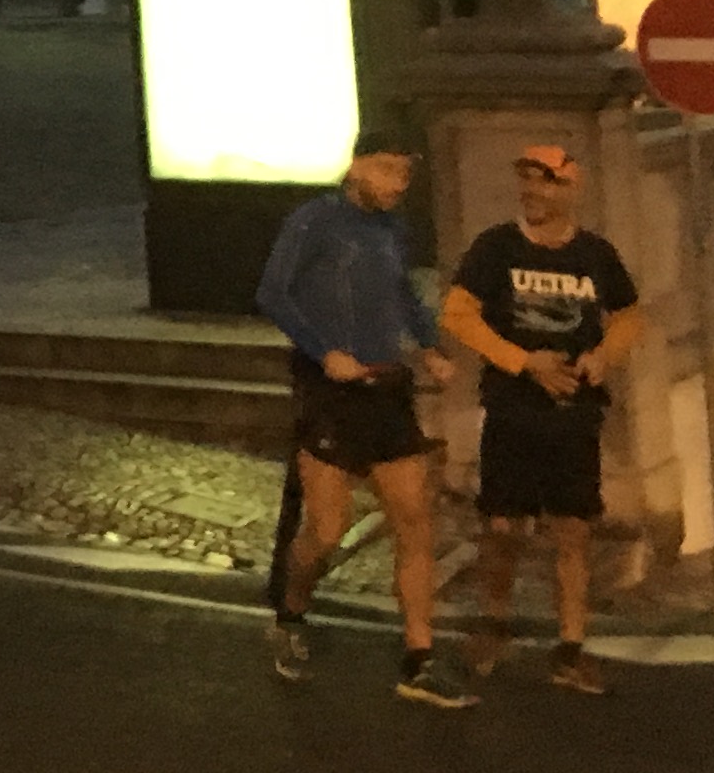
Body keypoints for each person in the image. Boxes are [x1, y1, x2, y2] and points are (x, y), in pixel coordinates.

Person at [256, 128, 469, 706]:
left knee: (414, 518)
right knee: (326, 530)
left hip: (385, 387)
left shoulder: (392, 229)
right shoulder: (313, 221)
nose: (398, 184)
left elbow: (401, 293)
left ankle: (418, 658)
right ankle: (292, 609)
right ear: (356, 168)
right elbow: (273, 294)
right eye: (387, 170)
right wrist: (325, 352)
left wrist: (428, 345)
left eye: (404, 173)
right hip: (327, 392)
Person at [442, 144, 642, 696]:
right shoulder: (495, 247)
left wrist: (604, 355)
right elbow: (457, 315)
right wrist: (523, 362)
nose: (533, 191)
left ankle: (571, 647)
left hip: (574, 413)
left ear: (570, 189)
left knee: (573, 532)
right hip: (513, 408)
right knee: (502, 527)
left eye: (547, 182)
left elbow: (628, 314)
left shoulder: (595, 254)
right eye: (527, 181)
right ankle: (494, 622)